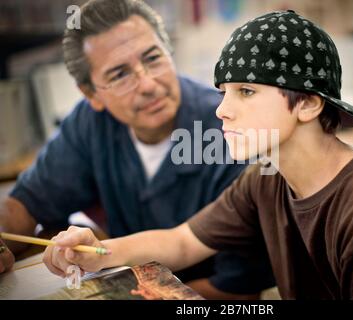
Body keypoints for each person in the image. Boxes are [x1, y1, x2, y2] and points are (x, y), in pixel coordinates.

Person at [42, 10, 353, 299]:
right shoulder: (267, 177)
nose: (221, 109)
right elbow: (182, 242)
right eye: (224, 92)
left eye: (247, 92)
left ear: (307, 103)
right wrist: (97, 252)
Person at [0, 0, 276, 299]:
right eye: (119, 75)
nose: (147, 84)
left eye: (153, 58)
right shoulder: (91, 123)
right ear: (91, 93)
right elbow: (23, 205)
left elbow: (237, 292)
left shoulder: (231, 134)